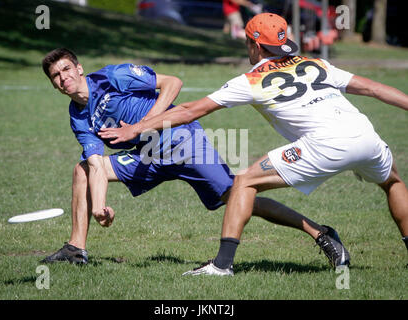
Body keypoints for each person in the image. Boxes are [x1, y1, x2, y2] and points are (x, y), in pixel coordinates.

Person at [99, 13, 408, 275]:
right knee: (393, 182)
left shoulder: (250, 80)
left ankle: (222, 266)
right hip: (364, 135)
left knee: (244, 182)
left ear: (256, 45)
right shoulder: (317, 63)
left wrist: (136, 129)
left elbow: (189, 110)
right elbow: (372, 88)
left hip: (324, 145)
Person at [40, 47, 348, 267]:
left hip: (182, 140)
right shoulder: (78, 117)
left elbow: (173, 82)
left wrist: (142, 126)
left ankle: (320, 233)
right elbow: (96, 165)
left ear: (79, 68)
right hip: (148, 156)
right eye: (55, 75)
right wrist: (100, 206)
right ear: (53, 85)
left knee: (236, 195)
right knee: (82, 170)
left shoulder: (113, 77)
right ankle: (76, 249)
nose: (63, 77)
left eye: (66, 69)